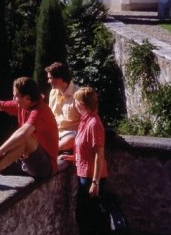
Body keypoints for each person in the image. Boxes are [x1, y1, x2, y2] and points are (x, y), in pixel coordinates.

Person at [61, 86, 108, 234]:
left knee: (88, 218)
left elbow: (98, 155)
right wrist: (74, 157)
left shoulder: (94, 123)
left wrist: (95, 182)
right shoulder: (84, 120)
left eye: (75, 101)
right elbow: (84, 147)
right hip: (85, 175)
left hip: (90, 178)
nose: (74, 104)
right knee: (85, 216)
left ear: (81, 104)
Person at [45, 62, 80, 152]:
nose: (48, 81)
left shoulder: (78, 94)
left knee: (73, 138)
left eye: (50, 78)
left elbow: (87, 119)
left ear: (60, 78)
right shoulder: (53, 92)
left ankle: (49, 149)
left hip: (71, 134)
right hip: (54, 133)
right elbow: (50, 116)